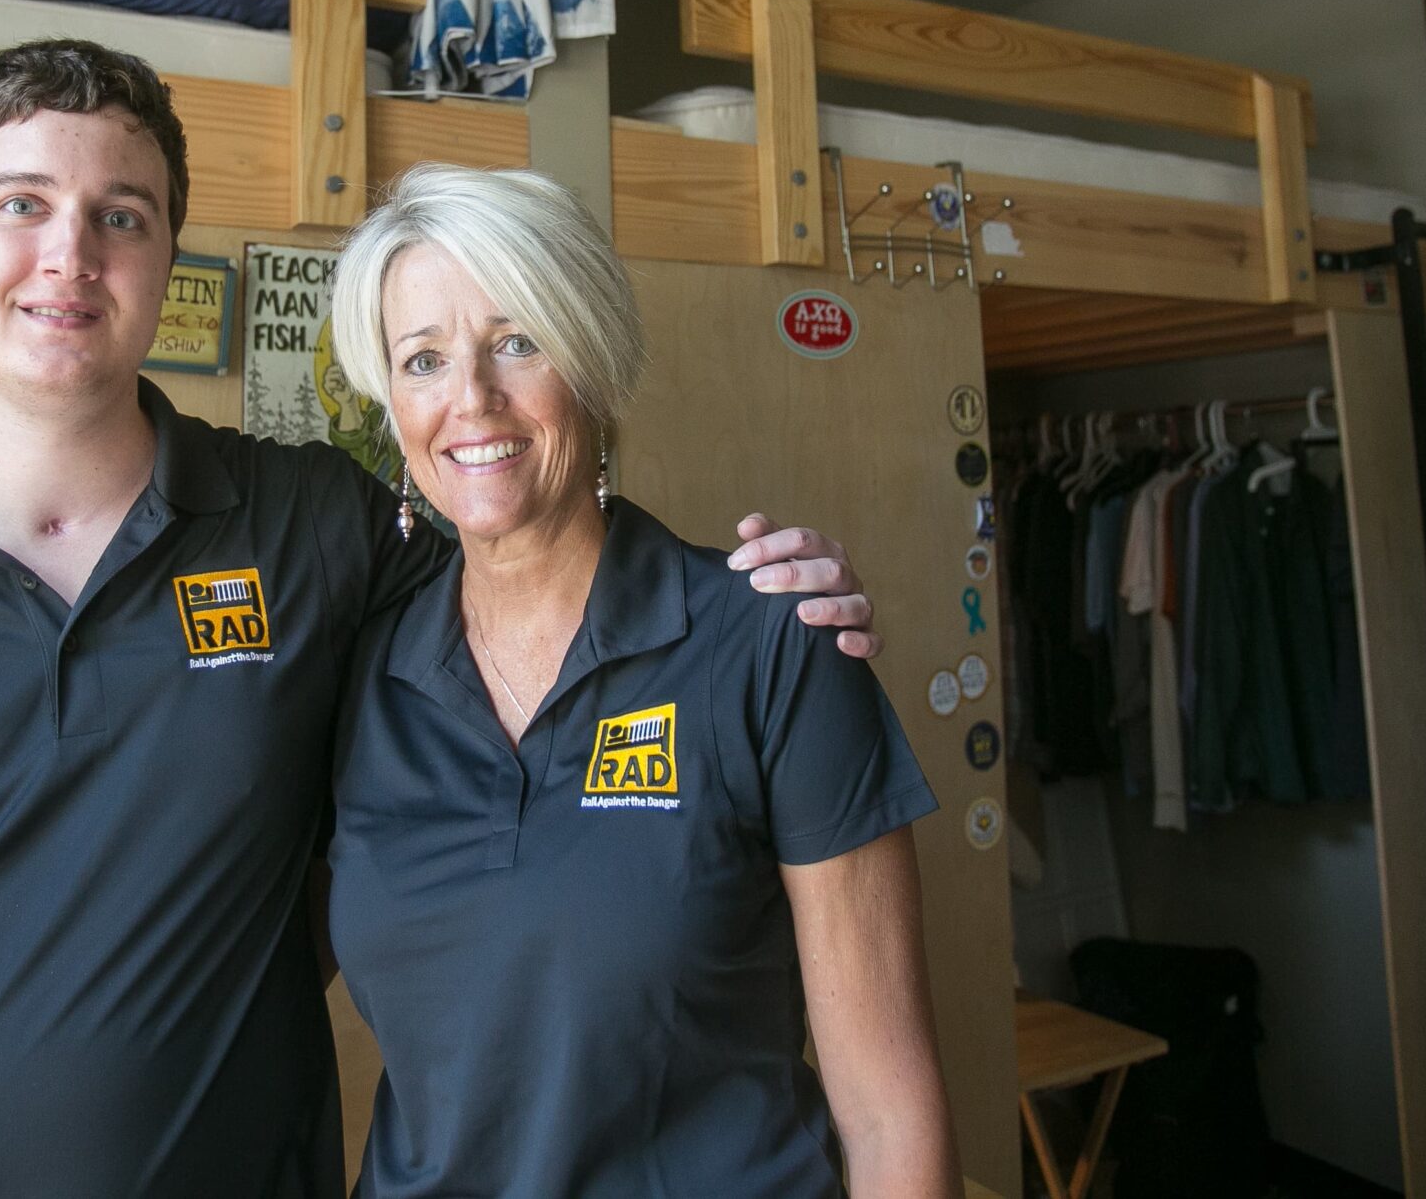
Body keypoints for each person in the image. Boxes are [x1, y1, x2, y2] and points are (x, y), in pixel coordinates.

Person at [0, 40, 883, 1199]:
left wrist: (759, 602)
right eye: (20, 204)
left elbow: (533, 557)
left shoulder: (314, 534)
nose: (70, 253)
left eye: (121, 216)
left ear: (165, 263)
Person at [324, 163, 962, 1199]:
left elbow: (888, 1113)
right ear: (390, 403)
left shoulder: (768, 643)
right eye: (424, 359)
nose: (470, 401)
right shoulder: (358, 674)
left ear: (595, 364)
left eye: (516, 341)